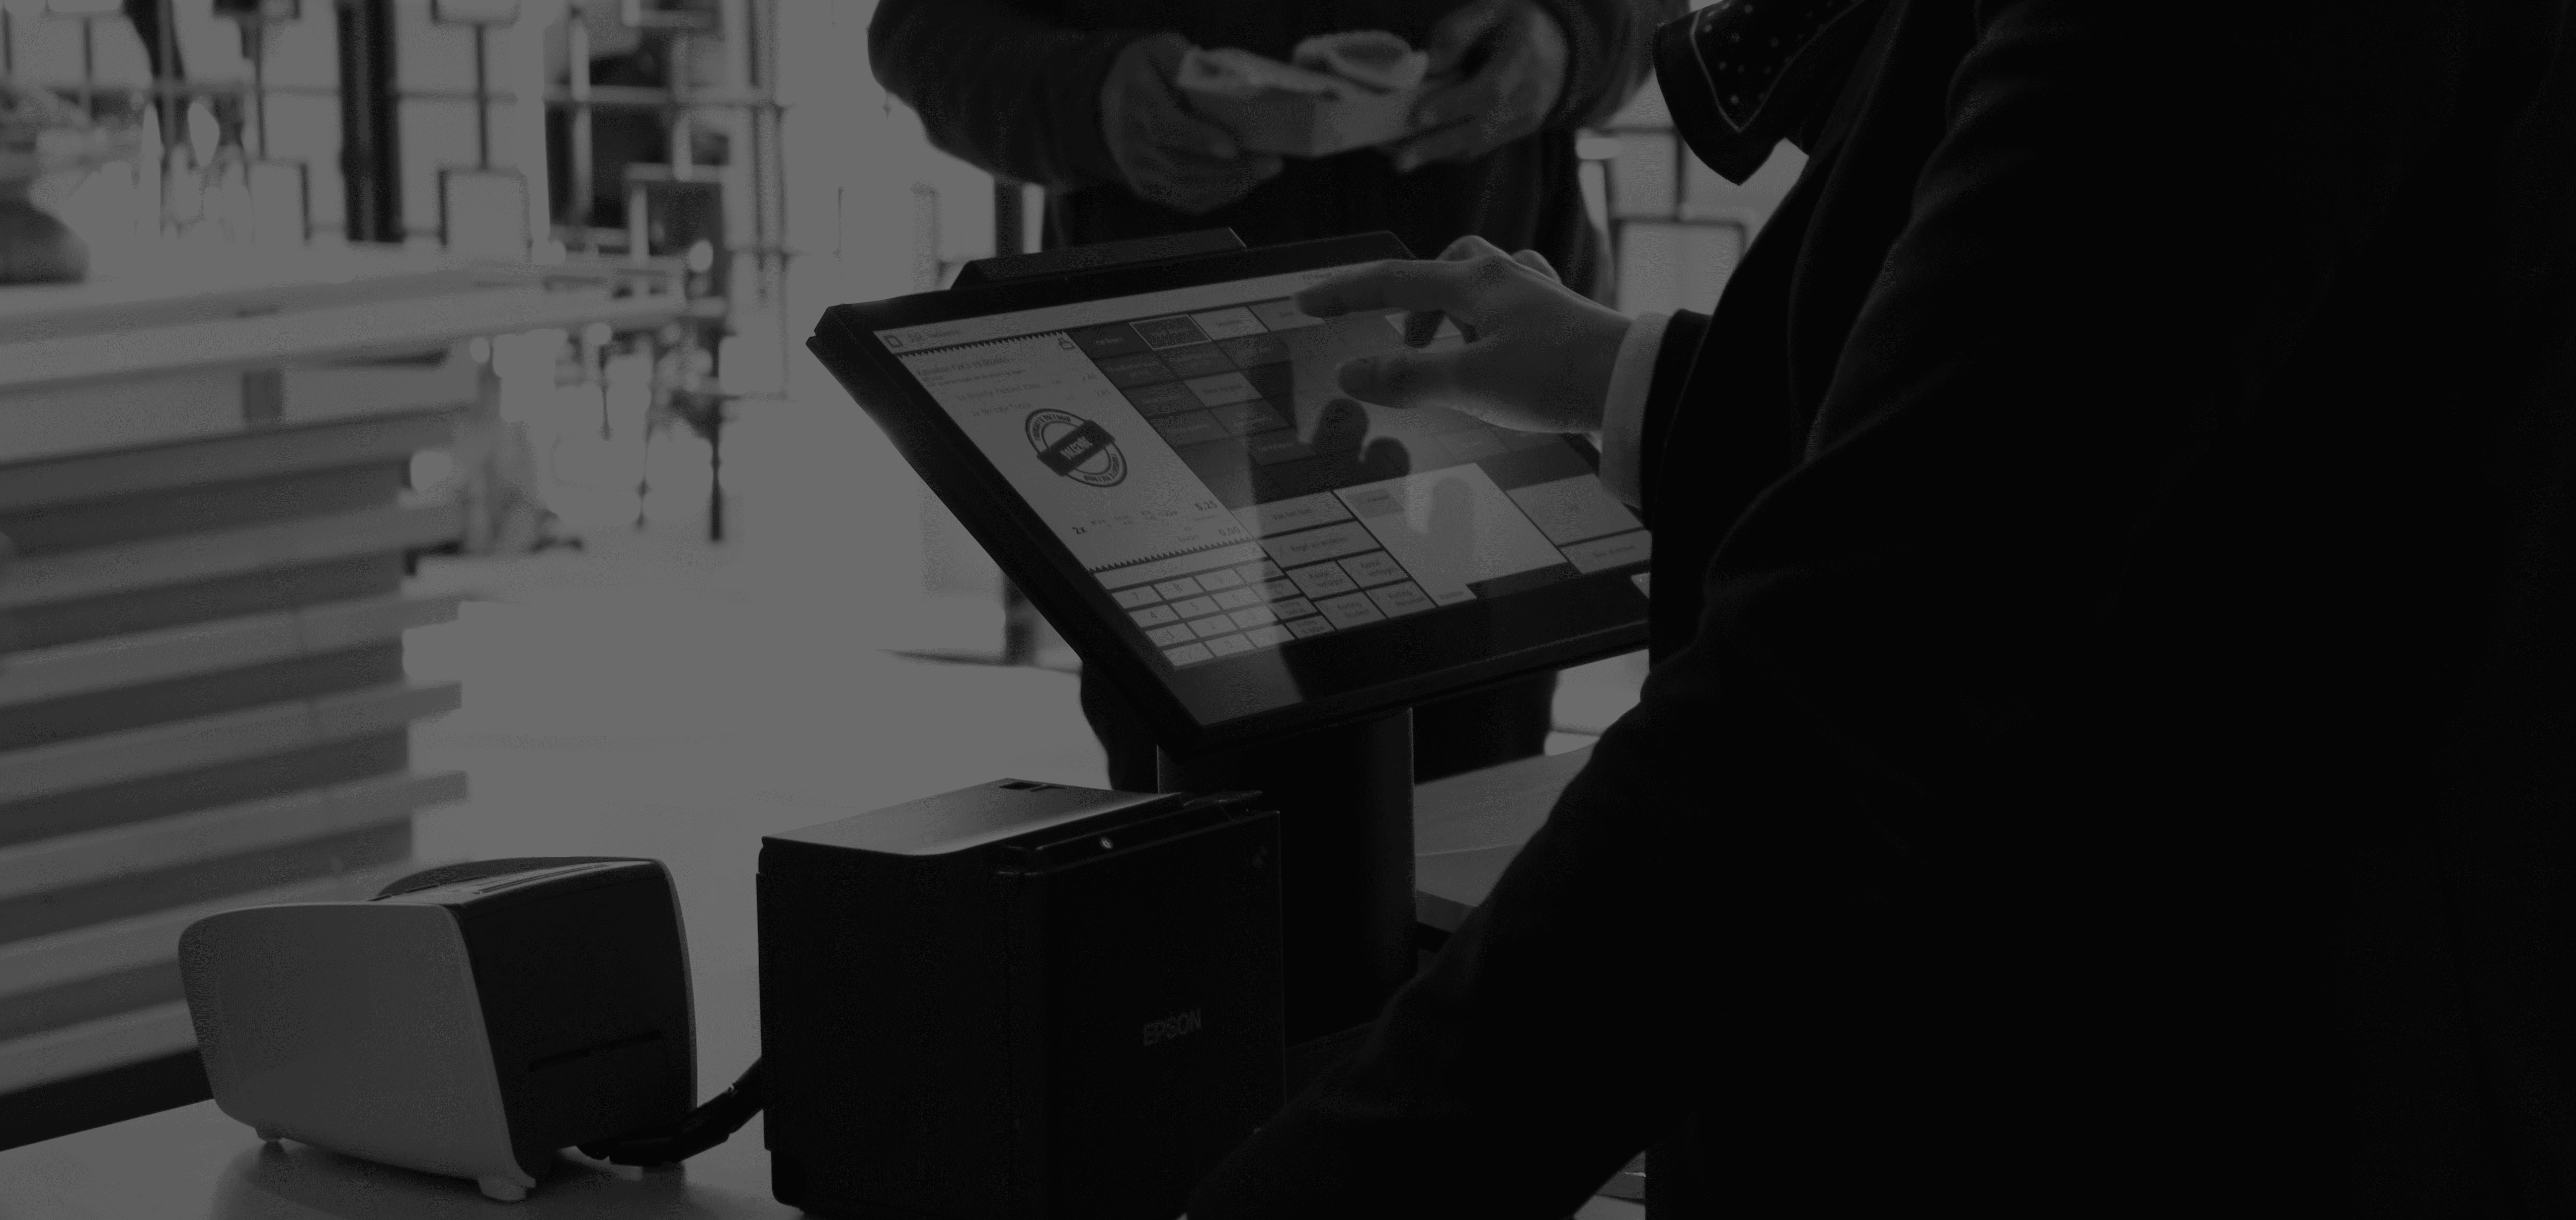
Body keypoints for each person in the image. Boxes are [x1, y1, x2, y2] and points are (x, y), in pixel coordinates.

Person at [1182, 0, 2576, 1216]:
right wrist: (1639, 382)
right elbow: (2098, 408)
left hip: (2192, 1076)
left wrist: (1324, 1187)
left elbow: (1860, 667)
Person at [868, 0, 1678, 787]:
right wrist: (1086, 98)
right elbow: (921, 30)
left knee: (1471, 806)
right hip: (1168, 407)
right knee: (1203, 827)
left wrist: (1568, 40)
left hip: (1475, 396)